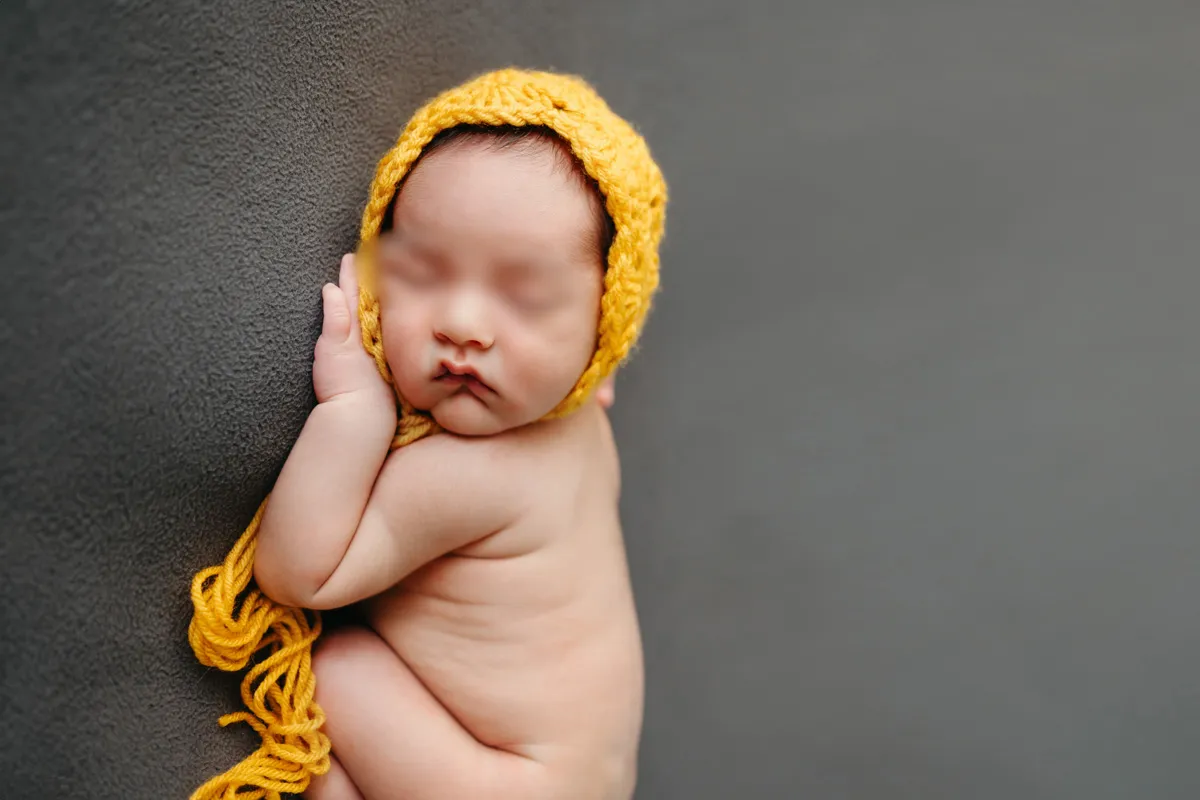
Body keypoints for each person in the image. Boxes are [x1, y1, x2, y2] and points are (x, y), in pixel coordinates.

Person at [251, 70, 666, 800]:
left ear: (607, 329)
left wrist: (354, 410)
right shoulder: (585, 421)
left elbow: (296, 575)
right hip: (572, 779)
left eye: (524, 295)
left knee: (331, 667)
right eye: (421, 272)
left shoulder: (474, 476)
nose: (465, 326)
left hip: (499, 780)